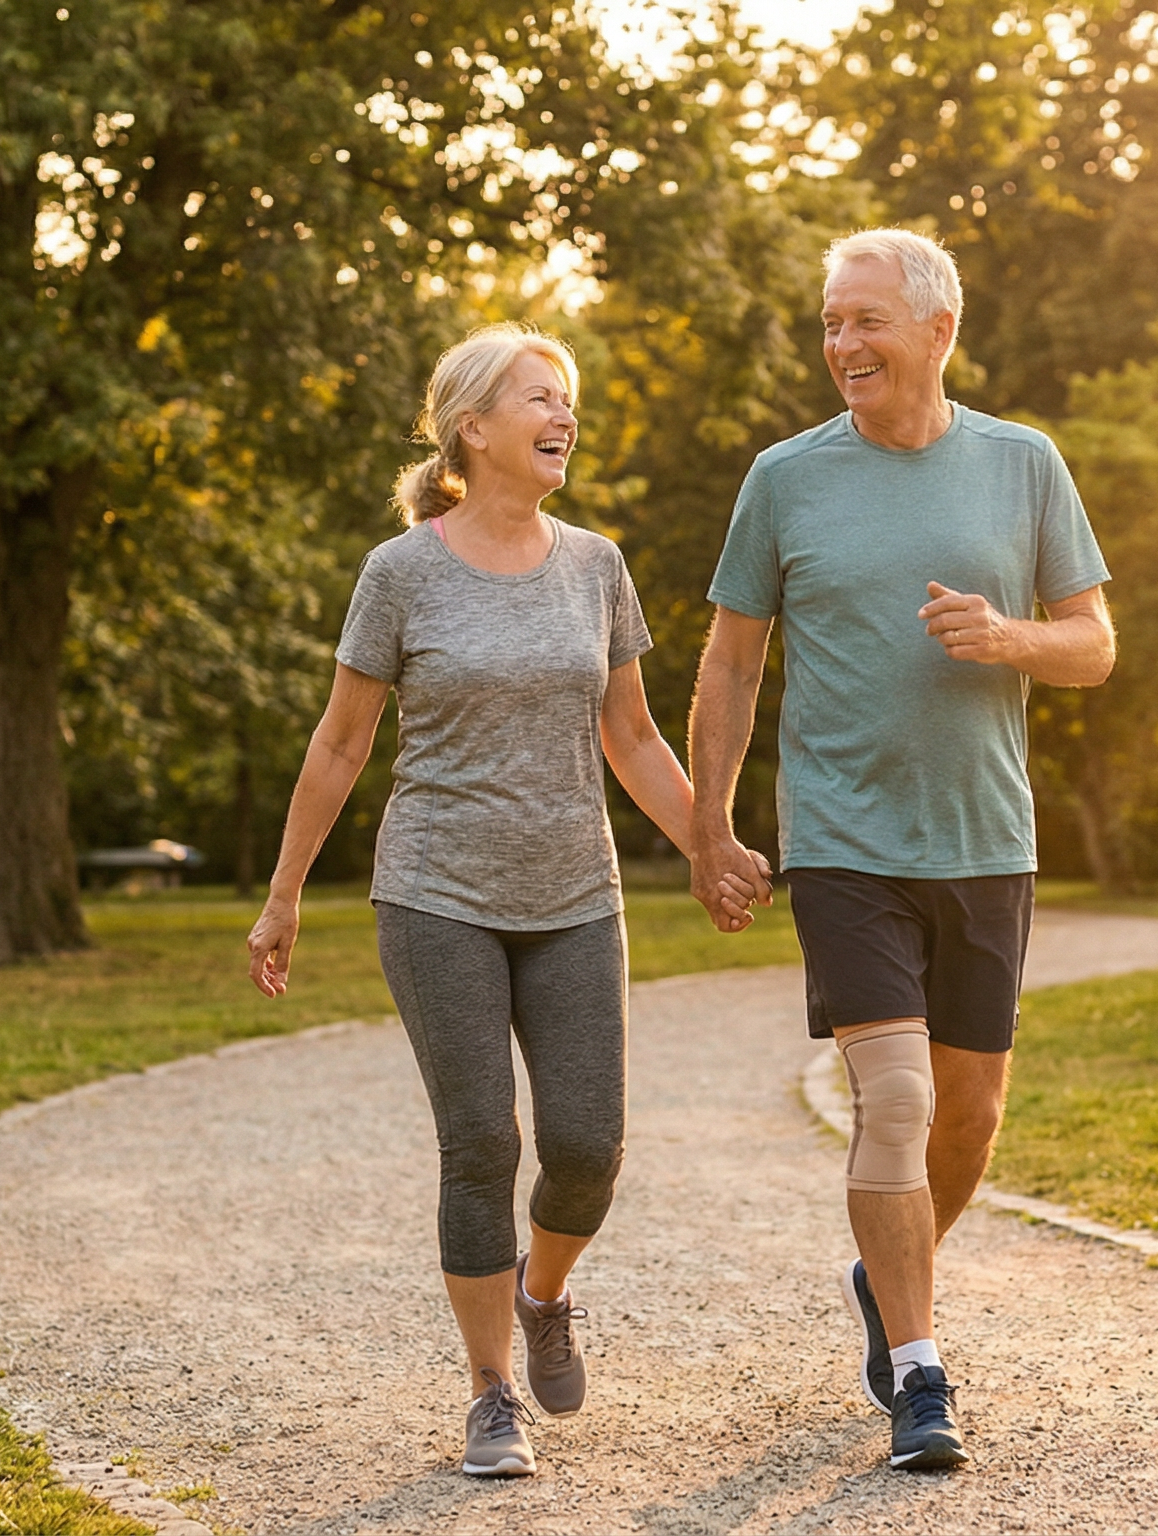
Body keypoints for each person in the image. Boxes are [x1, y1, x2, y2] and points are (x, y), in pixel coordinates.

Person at [246, 323, 771, 1479]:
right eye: (539, 397)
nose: (562, 416)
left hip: (574, 894)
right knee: (481, 1139)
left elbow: (631, 735)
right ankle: (489, 1393)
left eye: (566, 399)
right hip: (436, 893)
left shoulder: (595, 566)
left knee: (586, 1146)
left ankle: (543, 1292)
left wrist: (709, 842)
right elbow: (340, 743)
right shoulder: (400, 572)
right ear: (471, 428)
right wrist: (284, 894)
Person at [685, 229, 1116, 1471]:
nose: (842, 344)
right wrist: (711, 826)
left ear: (937, 330)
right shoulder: (784, 479)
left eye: (865, 320)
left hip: (984, 838)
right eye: (831, 323)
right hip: (842, 840)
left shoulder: (1022, 464)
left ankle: (883, 1282)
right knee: (897, 1096)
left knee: (968, 1118)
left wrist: (1009, 637)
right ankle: (919, 1376)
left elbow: (1092, 645)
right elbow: (730, 662)